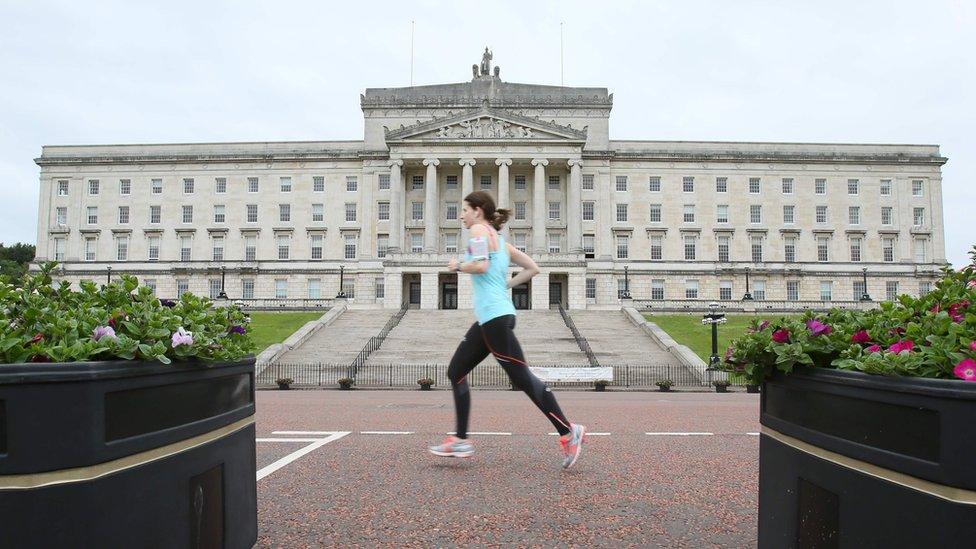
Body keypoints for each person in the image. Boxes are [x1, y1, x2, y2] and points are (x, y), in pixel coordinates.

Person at [427, 191, 586, 469]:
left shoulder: (478, 229)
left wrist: (457, 266)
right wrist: (505, 286)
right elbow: (532, 268)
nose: (461, 215)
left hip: (494, 319)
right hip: (493, 318)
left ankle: (568, 430)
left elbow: (481, 265)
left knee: (524, 379)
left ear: (478, 211)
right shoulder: (501, 242)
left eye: (464, 209)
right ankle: (461, 439)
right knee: (456, 371)